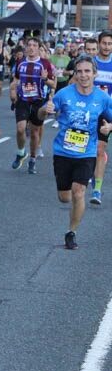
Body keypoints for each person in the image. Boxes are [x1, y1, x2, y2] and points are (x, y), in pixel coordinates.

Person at [39, 56, 112, 250]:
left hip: (86, 153)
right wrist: (45, 110)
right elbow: (41, 114)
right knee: (65, 197)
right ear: (75, 74)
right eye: (79, 71)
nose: (83, 75)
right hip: (63, 152)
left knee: (79, 192)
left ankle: (72, 232)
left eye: (87, 71)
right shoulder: (64, 94)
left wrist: (109, 127)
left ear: (95, 74)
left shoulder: (103, 98)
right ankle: (70, 207)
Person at [10, 36, 55, 175]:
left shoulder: (45, 63)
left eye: (34, 45)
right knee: (20, 128)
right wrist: (13, 89)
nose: (31, 47)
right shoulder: (21, 62)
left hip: (38, 101)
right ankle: (21, 152)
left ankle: (33, 159)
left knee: (35, 132)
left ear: (38, 48)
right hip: (23, 100)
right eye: (29, 45)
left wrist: (45, 79)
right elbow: (16, 78)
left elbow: (53, 84)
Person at [91, 31, 112, 204]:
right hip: (87, 112)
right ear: (99, 43)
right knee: (86, 150)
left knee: (99, 150)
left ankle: (97, 190)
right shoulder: (91, 63)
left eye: (109, 44)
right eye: (104, 43)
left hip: (106, 114)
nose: (106, 47)